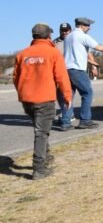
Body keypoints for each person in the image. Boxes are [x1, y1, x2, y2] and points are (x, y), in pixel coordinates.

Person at [13, 23, 73, 180]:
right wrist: (67, 96)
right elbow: (62, 76)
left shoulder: (22, 54)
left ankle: (46, 157)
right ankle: (39, 168)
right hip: (44, 99)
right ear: (48, 36)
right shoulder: (53, 53)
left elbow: (15, 77)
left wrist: (22, 91)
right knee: (41, 133)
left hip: (27, 100)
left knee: (39, 129)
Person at [62, 17, 103, 129]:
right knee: (87, 93)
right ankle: (85, 120)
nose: (90, 28)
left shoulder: (68, 37)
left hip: (66, 69)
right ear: (82, 26)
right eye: (88, 26)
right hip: (77, 70)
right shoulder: (82, 36)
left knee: (68, 96)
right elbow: (99, 47)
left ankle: (65, 122)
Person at [53, 22, 73, 128]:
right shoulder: (55, 43)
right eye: (62, 30)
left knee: (67, 94)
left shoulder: (75, 40)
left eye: (66, 30)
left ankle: (67, 117)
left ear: (70, 30)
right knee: (59, 95)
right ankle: (67, 114)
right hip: (59, 72)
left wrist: (93, 66)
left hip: (71, 71)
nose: (64, 32)